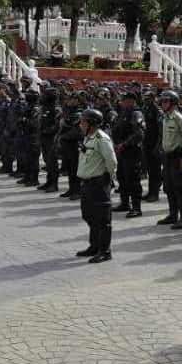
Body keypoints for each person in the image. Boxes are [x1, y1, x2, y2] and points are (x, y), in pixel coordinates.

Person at [76, 109, 118, 264]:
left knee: (102, 219)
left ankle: (105, 251)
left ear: (92, 124)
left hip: (99, 184)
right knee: (88, 215)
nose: (81, 125)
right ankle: (94, 246)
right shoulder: (88, 138)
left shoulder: (102, 139)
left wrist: (109, 179)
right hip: (87, 184)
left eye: (83, 122)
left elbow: (111, 161)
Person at [158, 91, 182, 229]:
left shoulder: (179, 118)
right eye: (162, 101)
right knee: (168, 187)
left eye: (166, 101)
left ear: (173, 102)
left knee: (180, 188)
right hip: (167, 157)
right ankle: (173, 215)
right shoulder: (165, 117)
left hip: (178, 157)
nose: (163, 104)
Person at [111, 91, 146, 218]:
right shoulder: (123, 113)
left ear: (131, 100)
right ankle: (124, 203)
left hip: (132, 151)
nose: (121, 101)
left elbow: (139, 134)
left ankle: (136, 208)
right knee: (122, 177)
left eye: (124, 99)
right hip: (121, 152)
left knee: (133, 180)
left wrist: (125, 144)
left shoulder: (136, 113)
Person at [57, 92, 84, 199]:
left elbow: (77, 131)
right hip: (67, 145)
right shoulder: (69, 112)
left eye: (71, 99)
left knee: (75, 168)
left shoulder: (79, 113)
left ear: (77, 100)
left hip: (74, 144)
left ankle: (77, 190)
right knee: (69, 168)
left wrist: (63, 137)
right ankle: (71, 189)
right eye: (68, 99)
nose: (68, 101)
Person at [37, 86, 63, 193]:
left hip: (52, 139)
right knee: (47, 161)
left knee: (52, 162)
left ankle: (54, 184)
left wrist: (47, 131)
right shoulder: (46, 108)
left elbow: (57, 126)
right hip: (44, 138)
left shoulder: (56, 109)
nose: (43, 97)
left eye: (46, 95)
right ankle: (49, 181)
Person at [15, 88, 42, 186]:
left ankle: (34, 179)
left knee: (33, 159)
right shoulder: (28, 107)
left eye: (28, 95)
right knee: (26, 157)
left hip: (33, 137)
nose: (26, 97)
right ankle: (27, 176)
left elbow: (35, 123)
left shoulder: (36, 108)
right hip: (26, 135)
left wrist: (25, 120)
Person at [141, 89, 163, 203]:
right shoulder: (145, 109)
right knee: (150, 169)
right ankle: (150, 191)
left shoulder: (158, 111)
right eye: (145, 98)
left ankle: (154, 193)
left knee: (155, 171)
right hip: (147, 143)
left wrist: (158, 147)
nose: (146, 100)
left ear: (154, 98)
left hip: (155, 144)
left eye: (148, 98)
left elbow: (161, 131)